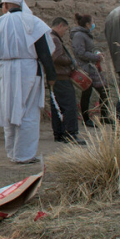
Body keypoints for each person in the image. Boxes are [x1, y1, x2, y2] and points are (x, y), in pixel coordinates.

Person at [0, 0, 56, 165]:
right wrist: (51, 75)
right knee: (28, 112)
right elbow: (44, 51)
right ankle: (24, 154)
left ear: (7, 5)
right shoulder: (32, 22)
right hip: (28, 70)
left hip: (6, 71)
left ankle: (13, 152)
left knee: (9, 111)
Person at [49, 17, 85, 145]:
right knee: (69, 106)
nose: (64, 32)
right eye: (64, 29)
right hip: (62, 78)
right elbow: (57, 57)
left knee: (57, 107)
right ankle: (71, 134)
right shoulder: (55, 39)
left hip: (55, 78)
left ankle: (59, 134)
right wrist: (70, 61)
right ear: (60, 26)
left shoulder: (50, 38)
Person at [70, 14, 111, 127]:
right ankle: (86, 119)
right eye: (92, 22)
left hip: (92, 69)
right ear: (87, 24)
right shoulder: (79, 35)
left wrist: (97, 54)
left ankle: (103, 116)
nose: (94, 24)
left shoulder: (84, 35)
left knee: (104, 91)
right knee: (88, 93)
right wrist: (96, 57)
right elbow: (80, 53)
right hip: (86, 69)